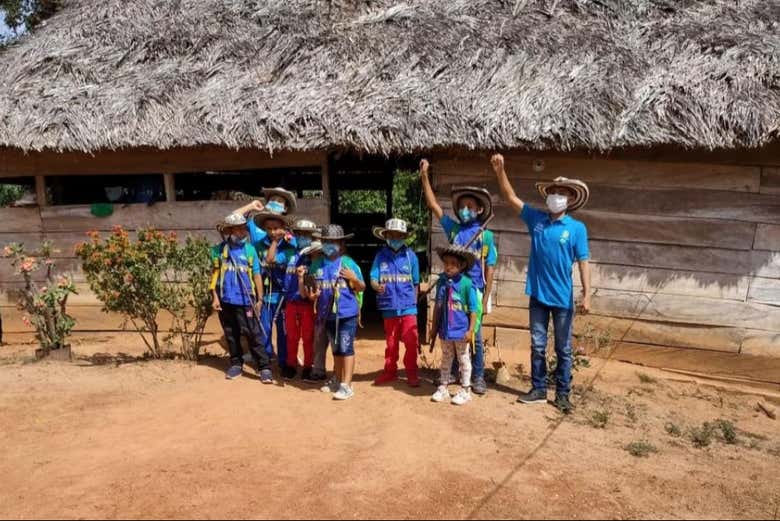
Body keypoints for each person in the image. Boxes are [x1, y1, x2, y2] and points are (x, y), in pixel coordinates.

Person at [492, 153, 592, 414]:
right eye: (553, 191)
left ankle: (562, 395)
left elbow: (583, 262)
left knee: (563, 348)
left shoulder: (577, 229)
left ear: (569, 198)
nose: (556, 195)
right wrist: (500, 171)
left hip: (562, 299)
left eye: (561, 192)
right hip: (537, 295)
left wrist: (587, 295)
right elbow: (510, 198)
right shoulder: (536, 220)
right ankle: (537, 389)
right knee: (537, 344)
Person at [420, 159, 497, 395]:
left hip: (473, 290)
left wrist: (484, 299)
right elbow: (434, 206)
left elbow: (490, 267)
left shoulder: (485, 236)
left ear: (479, 210)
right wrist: (424, 175)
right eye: (462, 206)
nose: (465, 209)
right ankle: (452, 371)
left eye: (470, 206)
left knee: (473, 333)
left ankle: (478, 376)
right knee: (448, 327)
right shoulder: (454, 230)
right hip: (451, 287)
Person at [209, 213, 273, 383]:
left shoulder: (250, 250)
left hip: (246, 300)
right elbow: (214, 275)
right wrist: (215, 297)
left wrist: (260, 299)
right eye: (238, 228)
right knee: (231, 334)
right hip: (225, 300)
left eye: (244, 228)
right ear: (230, 230)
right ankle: (236, 364)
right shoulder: (219, 250)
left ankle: (264, 367)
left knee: (253, 333)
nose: (242, 231)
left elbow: (257, 275)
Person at [308, 225, 366, 401]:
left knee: (346, 348)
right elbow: (312, 290)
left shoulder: (347, 263)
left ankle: (347, 385)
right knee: (336, 349)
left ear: (341, 243)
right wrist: (313, 295)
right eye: (325, 241)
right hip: (327, 315)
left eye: (332, 242)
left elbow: (361, 287)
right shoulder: (317, 264)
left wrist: (353, 279)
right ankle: (338, 379)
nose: (328, 245)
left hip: (346, 313)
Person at [370, 218, 421, 387]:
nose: (395, 238)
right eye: (392, 235)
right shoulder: (380, 256)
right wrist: (377, 286)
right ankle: (390, 371)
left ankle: (412, 373)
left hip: (408, 308)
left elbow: (415, 283)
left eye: (399, 235)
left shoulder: (411, 256)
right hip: (389, 306)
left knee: (411, 341)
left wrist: (414, 303)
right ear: (386, 236)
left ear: (404, 237)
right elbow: (373, 278)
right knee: (391, 343)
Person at [429, 246, 479, 406]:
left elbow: (473, 310)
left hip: (461, 332)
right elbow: (437, 307)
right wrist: (434, 327)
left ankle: (465, 390)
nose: (448, 266)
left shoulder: (467, 285)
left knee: (464, 359)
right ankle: (443, 387)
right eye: (446, 263)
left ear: (462, 266)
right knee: (446, 358)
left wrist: (470, 330)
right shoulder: (442, 282)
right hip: (445, 330)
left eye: (453, 263)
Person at [253, 211, 297, 375]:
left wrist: (276, 242)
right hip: (265, 296)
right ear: (264, 228)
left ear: (283, 228)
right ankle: (265, 362)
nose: (272, 231)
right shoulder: (258, 246)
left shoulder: (290, 246)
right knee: (264, 329)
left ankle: (285, 362)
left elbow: (271, 259)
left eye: (276, 228)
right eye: (269, 228)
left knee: (284, 332)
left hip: (283, 297)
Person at [283, 219, 320, 381]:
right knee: (291, 336)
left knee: (307, 337)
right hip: (290, 302)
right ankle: (291, 364)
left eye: (306, 235)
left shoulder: (313, 257)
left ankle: (307, 366)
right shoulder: (289, 254)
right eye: (299, 234)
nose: (302, 237)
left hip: (307, 304)